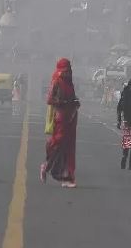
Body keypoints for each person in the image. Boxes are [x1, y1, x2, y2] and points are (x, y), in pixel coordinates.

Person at [41, 58, 80, 188]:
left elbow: (73, 97)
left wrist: (74, 102)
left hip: (71, 117)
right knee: (58, 142)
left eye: (68, 70)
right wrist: (62, 102)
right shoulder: (56, 82)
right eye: (64, 71)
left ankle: (68, 176)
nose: (66, 73)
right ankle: (47, 166)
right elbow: (50, 99)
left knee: (70, 147)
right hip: (61, 117)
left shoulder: (70, 83)